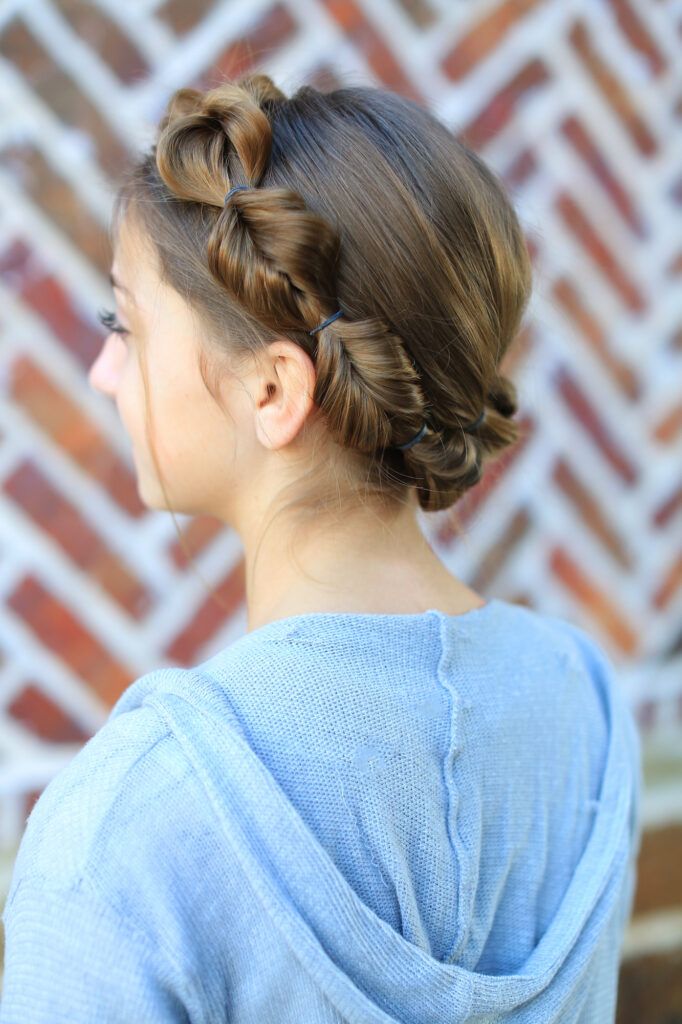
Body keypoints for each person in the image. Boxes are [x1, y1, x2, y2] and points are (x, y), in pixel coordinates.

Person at [0, 74, 642, 1023]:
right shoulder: (588, 712)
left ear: (274, 392)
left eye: (123, 325)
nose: (102, 370)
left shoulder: (128, 830)